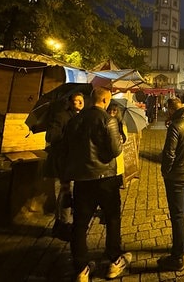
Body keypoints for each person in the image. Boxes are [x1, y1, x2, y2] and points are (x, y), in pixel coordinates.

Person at [63, 87, 130, 281]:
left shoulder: (74, 120)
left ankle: (81, 268)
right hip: (105, 179)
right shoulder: (107, 120)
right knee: (112, 218)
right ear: (105, 100)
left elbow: (67, 148)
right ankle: (114, 260)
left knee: (80, 224)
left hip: (82, 179)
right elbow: (116, 150)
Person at [158, 97, 184, 271]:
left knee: (177, 214)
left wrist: (165, 171)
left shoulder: (176, 126)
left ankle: (177, 257)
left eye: (168, 110)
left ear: (171, 109)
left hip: (177, 176)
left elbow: (169, 154)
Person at [45, 92, 84, 241]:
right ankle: (63, 225)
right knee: (65, 192)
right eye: (76, 101)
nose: (79, 103)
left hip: (72, 161)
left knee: (67, 193)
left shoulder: (80, 117)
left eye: (81, 101)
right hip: (62, 161)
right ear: (70, 102)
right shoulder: (61, 116)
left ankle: (60, 225)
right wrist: (68, 136)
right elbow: (50, 136)